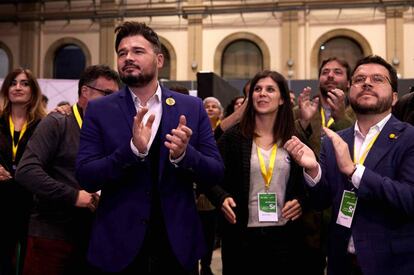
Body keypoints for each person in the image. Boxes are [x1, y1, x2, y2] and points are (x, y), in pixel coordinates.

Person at [75, 21, 224, 274]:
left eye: (137, 51)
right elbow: (86, 176)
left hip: (176, 246)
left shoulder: (191, 107)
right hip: (117, 247)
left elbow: (215, 171)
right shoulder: (100, 110)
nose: (128, 58)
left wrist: (186, 155)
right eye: (122, 53)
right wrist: (131, 151)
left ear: (159, 59)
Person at [285, 55, 414, 275]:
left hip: (391, 264)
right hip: (340, 262)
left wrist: (355, 172)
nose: (367, 83)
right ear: (350, 90)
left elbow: (409, 198)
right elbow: (321, 200)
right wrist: (313, 170)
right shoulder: (336, 139)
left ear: (394, 98)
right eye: (360, 79)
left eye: (377, 79)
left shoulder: (408, 137)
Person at [15, 65, 121, 275]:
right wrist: (73, 196)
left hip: (92, 237)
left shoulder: (107, 132)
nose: (113, 101)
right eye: (107, 94)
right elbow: (26, 171)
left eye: (116, 96)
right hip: (51, 236)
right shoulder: (56, 123)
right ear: (85, 92)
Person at [207, 70, 306, 275]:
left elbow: (310, 182)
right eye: (257, 89)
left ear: (281, 100)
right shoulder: (234, 138)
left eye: (270, 89)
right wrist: (220, 197)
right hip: (241, 236)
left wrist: (302, 201)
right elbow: (206, 174)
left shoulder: (293, 138)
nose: (262, 94)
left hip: (284, 237)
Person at [0, 68, 47, 275]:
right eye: (13, 83)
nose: (18, 87)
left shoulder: (44, 125)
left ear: (33, 91)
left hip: (32, 205)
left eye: (25, 83)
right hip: (1, 203)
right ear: (6, 89)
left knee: (30, 265)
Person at [295, 57, 356, 156]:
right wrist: (303, 123)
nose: (330, 75)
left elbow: (357, 146)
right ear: (319, 80)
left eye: (337, 72)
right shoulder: (300, 111)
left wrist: (341, 118)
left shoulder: (359, 112)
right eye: (325, 72)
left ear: (348, 83)